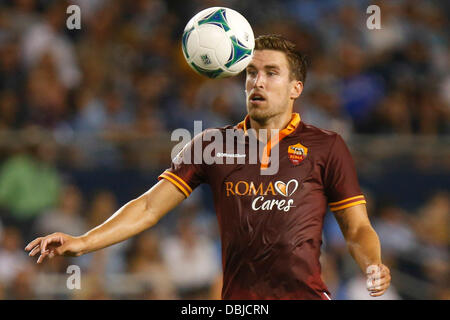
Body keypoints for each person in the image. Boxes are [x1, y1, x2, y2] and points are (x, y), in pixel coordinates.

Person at [25, 35, 391, 300]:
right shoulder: (210, 144)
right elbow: (150, 207)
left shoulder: (327, 145)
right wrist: (84, 242)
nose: (257, 81)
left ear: (296, 87)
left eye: (271, 73)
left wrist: (372, 264)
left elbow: (357, 228)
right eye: (250, 72)